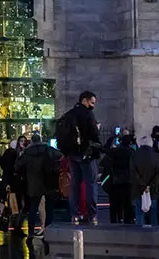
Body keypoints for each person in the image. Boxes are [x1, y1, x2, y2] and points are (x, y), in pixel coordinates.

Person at [60, 91, 101, 224]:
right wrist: (97, 128)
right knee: (91, 184)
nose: (93, 105)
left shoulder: (69, 114)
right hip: (87, 154)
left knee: (74, 185)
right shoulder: (87, 114)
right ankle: (92, 215)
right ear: (85, 100)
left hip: (72, 154)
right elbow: (94, 134)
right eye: (92, 102)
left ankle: (75, 215)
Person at [14, 133, 62, 247]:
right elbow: (60, 156)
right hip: (48, 183)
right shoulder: (48, 149)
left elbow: (17, 166)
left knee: (32, 209)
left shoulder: (27, 153)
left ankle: (30, 233)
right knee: (49, 209)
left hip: (34, 184)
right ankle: (47, 231)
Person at [99, 134, 134, 224]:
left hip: (115, 180)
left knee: (114, 205)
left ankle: (114, 222)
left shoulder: (116, 151)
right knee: (127, 204)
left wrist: (111, 138)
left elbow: (104, 149)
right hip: (127, 180)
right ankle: (127, 222)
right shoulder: (131, 152)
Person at [132, 135, 159, 226]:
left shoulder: (135, 155)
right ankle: (154, 234)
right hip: (153, 189)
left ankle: (140, 235)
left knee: (139, 213)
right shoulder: (157, 156)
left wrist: (143, 185)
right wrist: (151, 185)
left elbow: (133, 173)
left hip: (138, 189)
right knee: (153, 213)